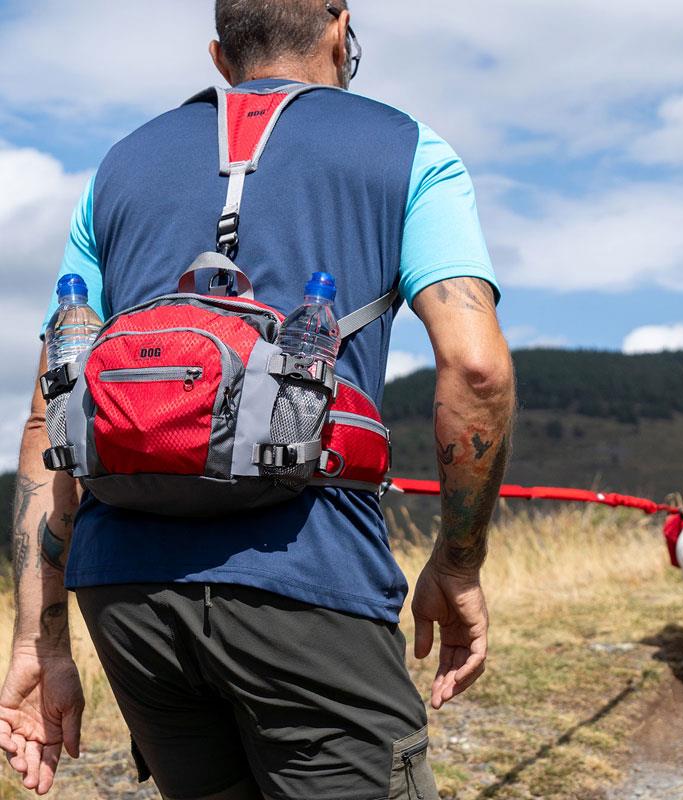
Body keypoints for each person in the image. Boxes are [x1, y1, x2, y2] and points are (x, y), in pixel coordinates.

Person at [0, 1, 515, 797]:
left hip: (127, 590)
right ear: (340, 30)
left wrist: (39, 642)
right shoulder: (408, 148)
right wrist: (458, 559)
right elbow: (477, 369)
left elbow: (52, 412)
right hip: (310, 573)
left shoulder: (119, 168)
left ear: (220, 55)